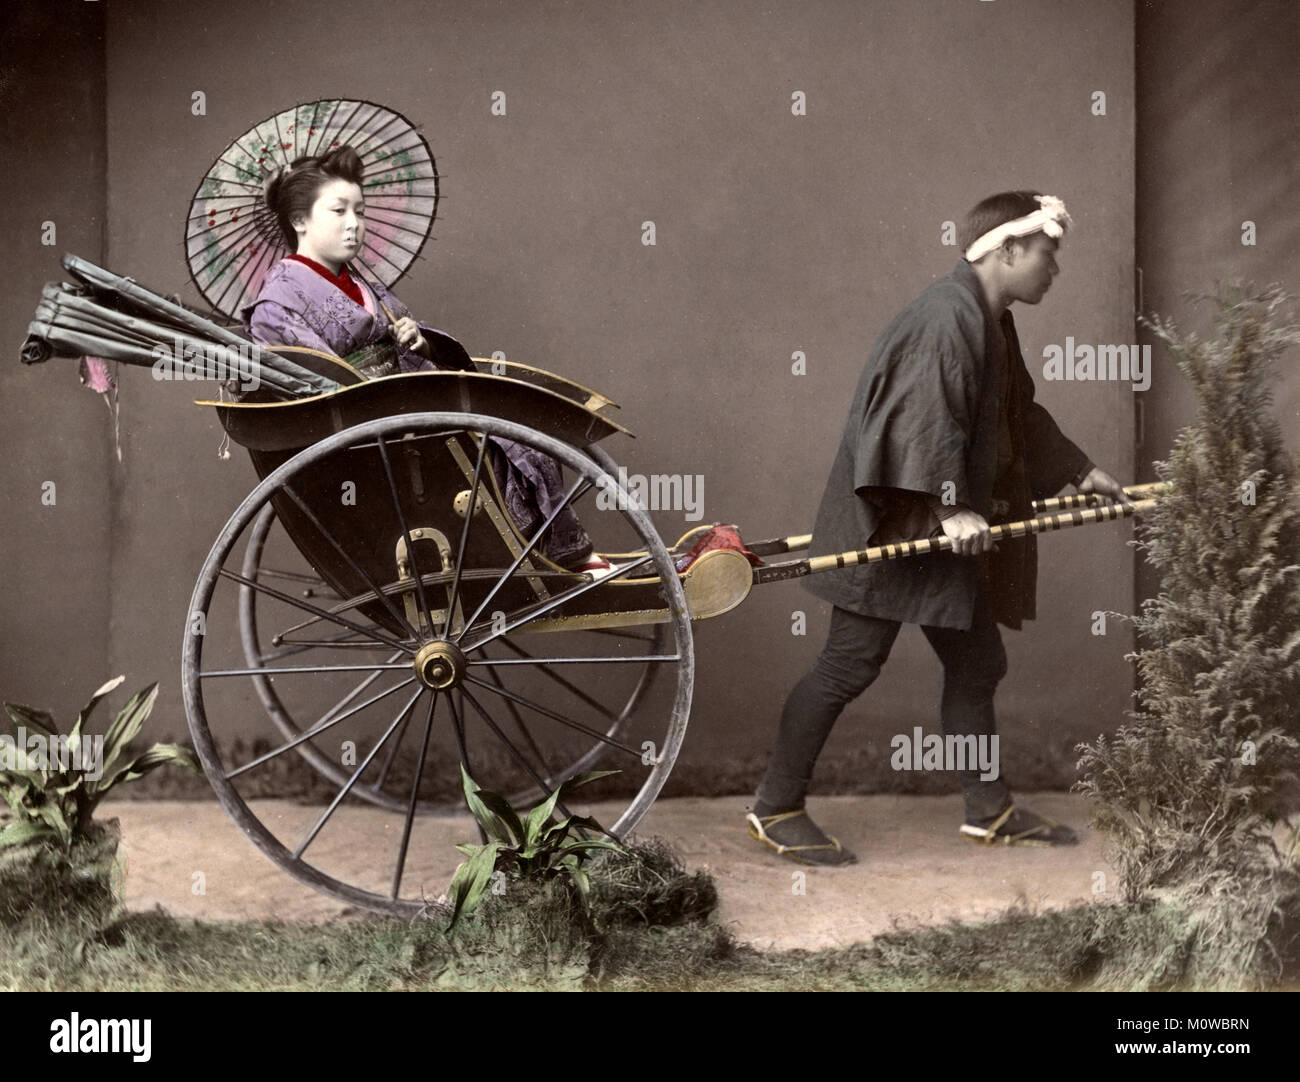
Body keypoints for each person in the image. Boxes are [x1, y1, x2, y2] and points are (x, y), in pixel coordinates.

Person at [748, 191, 1130, 864]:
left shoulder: (990, 318)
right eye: (1048, 254)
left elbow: (1017, 417)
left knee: (978, 663)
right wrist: (949, 508)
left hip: (947, 528)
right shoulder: (944, 319)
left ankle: (989, 809)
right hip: (895, 526)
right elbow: (919, 423)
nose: (1055, 269)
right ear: (1008, 250)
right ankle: (774, 807)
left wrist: (1079, 469)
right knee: (848, 666)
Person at [242, 145, 606, 572]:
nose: (354, 224)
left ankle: (551, 554)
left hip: (407, 408)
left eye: (360, 211)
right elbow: (322, 383)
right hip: (370, 437)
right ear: (300, 220)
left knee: (519, 424)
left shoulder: (360, 284)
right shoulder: (277, 304)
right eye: (338, 211)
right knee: (497, 435)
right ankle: (552, 556)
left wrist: (417, 340)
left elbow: (405, 344)